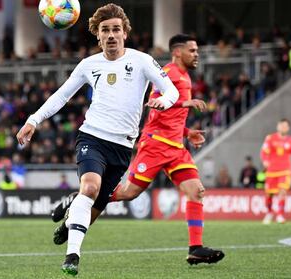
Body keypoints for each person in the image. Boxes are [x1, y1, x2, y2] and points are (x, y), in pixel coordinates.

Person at [16, 4, 181, 276]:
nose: (111, 35)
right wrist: (33, 119)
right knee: (90, 188)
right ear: (98, 35)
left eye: (116, 29)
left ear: (125, 33)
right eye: (106, 30)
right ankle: (72, 256)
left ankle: (71, 211)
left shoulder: (142, 61)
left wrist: (164, 100)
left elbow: (171, 90)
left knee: (93, 207)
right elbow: (61, 95)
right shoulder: (88, 65)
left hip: (123, 146)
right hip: (92, 136)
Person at [52, 34, 224, 266]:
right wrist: (183, 103)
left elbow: (172, 118)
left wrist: (186, 132)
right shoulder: (170, 73)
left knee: (197, 191)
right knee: (128, 193)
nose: (196, 54)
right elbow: (156, 104)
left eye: (196, 51)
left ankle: (195, 248)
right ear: (177, 53)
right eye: (192, 50)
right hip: (155, 145)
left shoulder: (185, 77)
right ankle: (78, 202)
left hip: (176, 147)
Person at [260, 119, 291, 224]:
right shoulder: (270, 138)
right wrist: (265, 161)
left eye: (285, 126)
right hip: (271, 171)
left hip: (285, 170)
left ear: (288, 128)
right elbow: (263, 152)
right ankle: (269, 212)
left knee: (282, 191)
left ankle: (280, 214)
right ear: (277, 126)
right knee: (269, 194)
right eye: (281, 125)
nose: (283, 128)